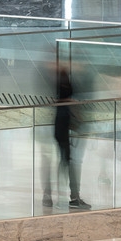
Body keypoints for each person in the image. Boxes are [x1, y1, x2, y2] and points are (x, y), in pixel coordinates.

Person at [42, 64, 90, 211]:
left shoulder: (60, 79)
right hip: (62, 125)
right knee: (66, 162)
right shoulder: (55, 81)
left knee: (66, 161)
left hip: (63, 124)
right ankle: (71, 197)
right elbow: (56, 100)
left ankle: (66, 195)